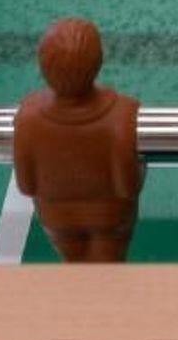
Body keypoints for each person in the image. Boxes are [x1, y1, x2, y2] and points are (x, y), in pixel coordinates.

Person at [13, 17, 144, 264]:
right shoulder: (123, 115)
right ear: (99, 61)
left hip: (57, 217)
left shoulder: (27, 117)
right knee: (109, 269)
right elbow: (126, 186)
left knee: (75, 268)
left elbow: (27, 184)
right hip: (108, 215)